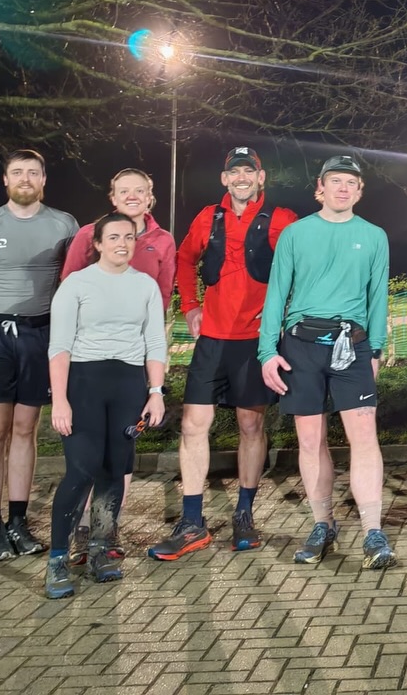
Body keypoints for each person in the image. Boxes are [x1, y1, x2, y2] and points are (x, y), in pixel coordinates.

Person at [149, 146, 297, 560]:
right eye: (235, 172)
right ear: (224, 178)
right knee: (194, 425)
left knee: (251, 427)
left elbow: (302, 261)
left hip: (256, 341)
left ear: (261, 177)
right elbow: (184, 258)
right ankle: (192, 521)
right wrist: (189, 305)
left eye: (249, 171)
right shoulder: (207, 218)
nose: (242, 178)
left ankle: (244, 514)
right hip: (212, 340)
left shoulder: (282, 220)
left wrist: (289, 312)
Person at [259, 154, 397, 569]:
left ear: (359, 191)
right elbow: (276, 295)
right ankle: (323, 523)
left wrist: (375, 349)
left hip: (350, 345)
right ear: (320, 187)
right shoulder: (296, 235)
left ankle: (373, 531)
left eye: (350, 182)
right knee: (309, 440)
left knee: (364, 435)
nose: (342, 188)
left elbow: (377, 298)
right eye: (334, 181)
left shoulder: (374, 236)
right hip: (300, 346)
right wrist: (267, 352)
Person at [0, 149, 79, 562]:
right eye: (17, 172)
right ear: (5, 180)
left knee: (26, 431)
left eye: (33, 172)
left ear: (44, 179)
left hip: (40, 334)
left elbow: (74, 278)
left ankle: (18, 522)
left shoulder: (64, 224)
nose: (25, 178)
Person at [43, 213, 168, 598]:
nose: (122, 243)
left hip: (129, 385)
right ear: (96, 243)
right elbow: (59, 347)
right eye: (113, 237)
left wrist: (157, 391)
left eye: (129, 237)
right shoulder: (76, 284)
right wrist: (60, 400)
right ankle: (58, 560)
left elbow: (155, 343)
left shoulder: (145, 286)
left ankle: (100, 550)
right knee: (80, 472)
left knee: (114, 470)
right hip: (83, 384)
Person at [60, 167, 176, 565]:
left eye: (139, 190)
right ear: (112, 197)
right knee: (87, 457)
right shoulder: (87, 238)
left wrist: (153, 379)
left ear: (150, 196)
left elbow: (161, 300)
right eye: (124, 191)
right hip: (87, 365)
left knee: (119, 456)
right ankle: (78, 534)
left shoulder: (162, 240)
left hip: (132, 360)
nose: (132, 196)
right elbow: (70, 290)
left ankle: (106, 532)